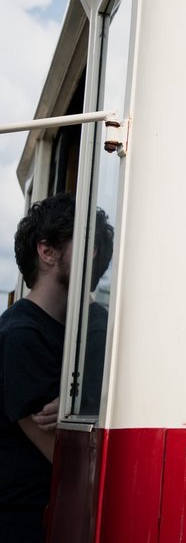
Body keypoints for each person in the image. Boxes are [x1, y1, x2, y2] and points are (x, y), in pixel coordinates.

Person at [0, 193, 113, 543]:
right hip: (24, 523)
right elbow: (65, 456)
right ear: (47, 252)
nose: (96, 256)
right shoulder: (21, 336)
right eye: (87, 243)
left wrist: (82, 400)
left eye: (99, 247)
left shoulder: (89, 327)